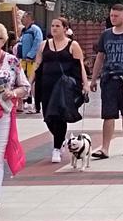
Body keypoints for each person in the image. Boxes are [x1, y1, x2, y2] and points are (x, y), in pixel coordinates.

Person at [30, 18, 90, 163]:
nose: (54, 28)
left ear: (65, 28)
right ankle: (62, 139)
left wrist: (85, 84)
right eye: (52, 25)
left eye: (57, 26)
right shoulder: (44, 45)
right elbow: (37, 64)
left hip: (64, 88)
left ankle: (56, 148)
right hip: (46, 86)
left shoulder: (72, 45)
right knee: (48, 117)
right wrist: (29, 82)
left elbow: (80, 65)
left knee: (59, 116)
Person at [89, 4, 123, 159]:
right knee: (108, 114)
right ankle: (105, 148)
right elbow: (100, 57)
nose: (113, 18)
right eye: (111, 15)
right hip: (108, 79)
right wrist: (93, 79)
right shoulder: (106, 35)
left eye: (116, 16)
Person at [0, 23, 31, 209]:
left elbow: (25, 87)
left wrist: (14, 93)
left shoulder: (12, 61)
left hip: (3, 113)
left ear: (3, 41)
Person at [20, 12, 43, 114]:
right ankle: (28, 103)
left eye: (24, 17)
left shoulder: (35, 30)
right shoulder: (25, 31)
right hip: (25, 61)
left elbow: (38, 43)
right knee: (26, 82)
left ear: (30, 18)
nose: (22, 19)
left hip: (32, 61)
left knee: (32, 83)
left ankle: (36, 105)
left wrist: (31, 54)